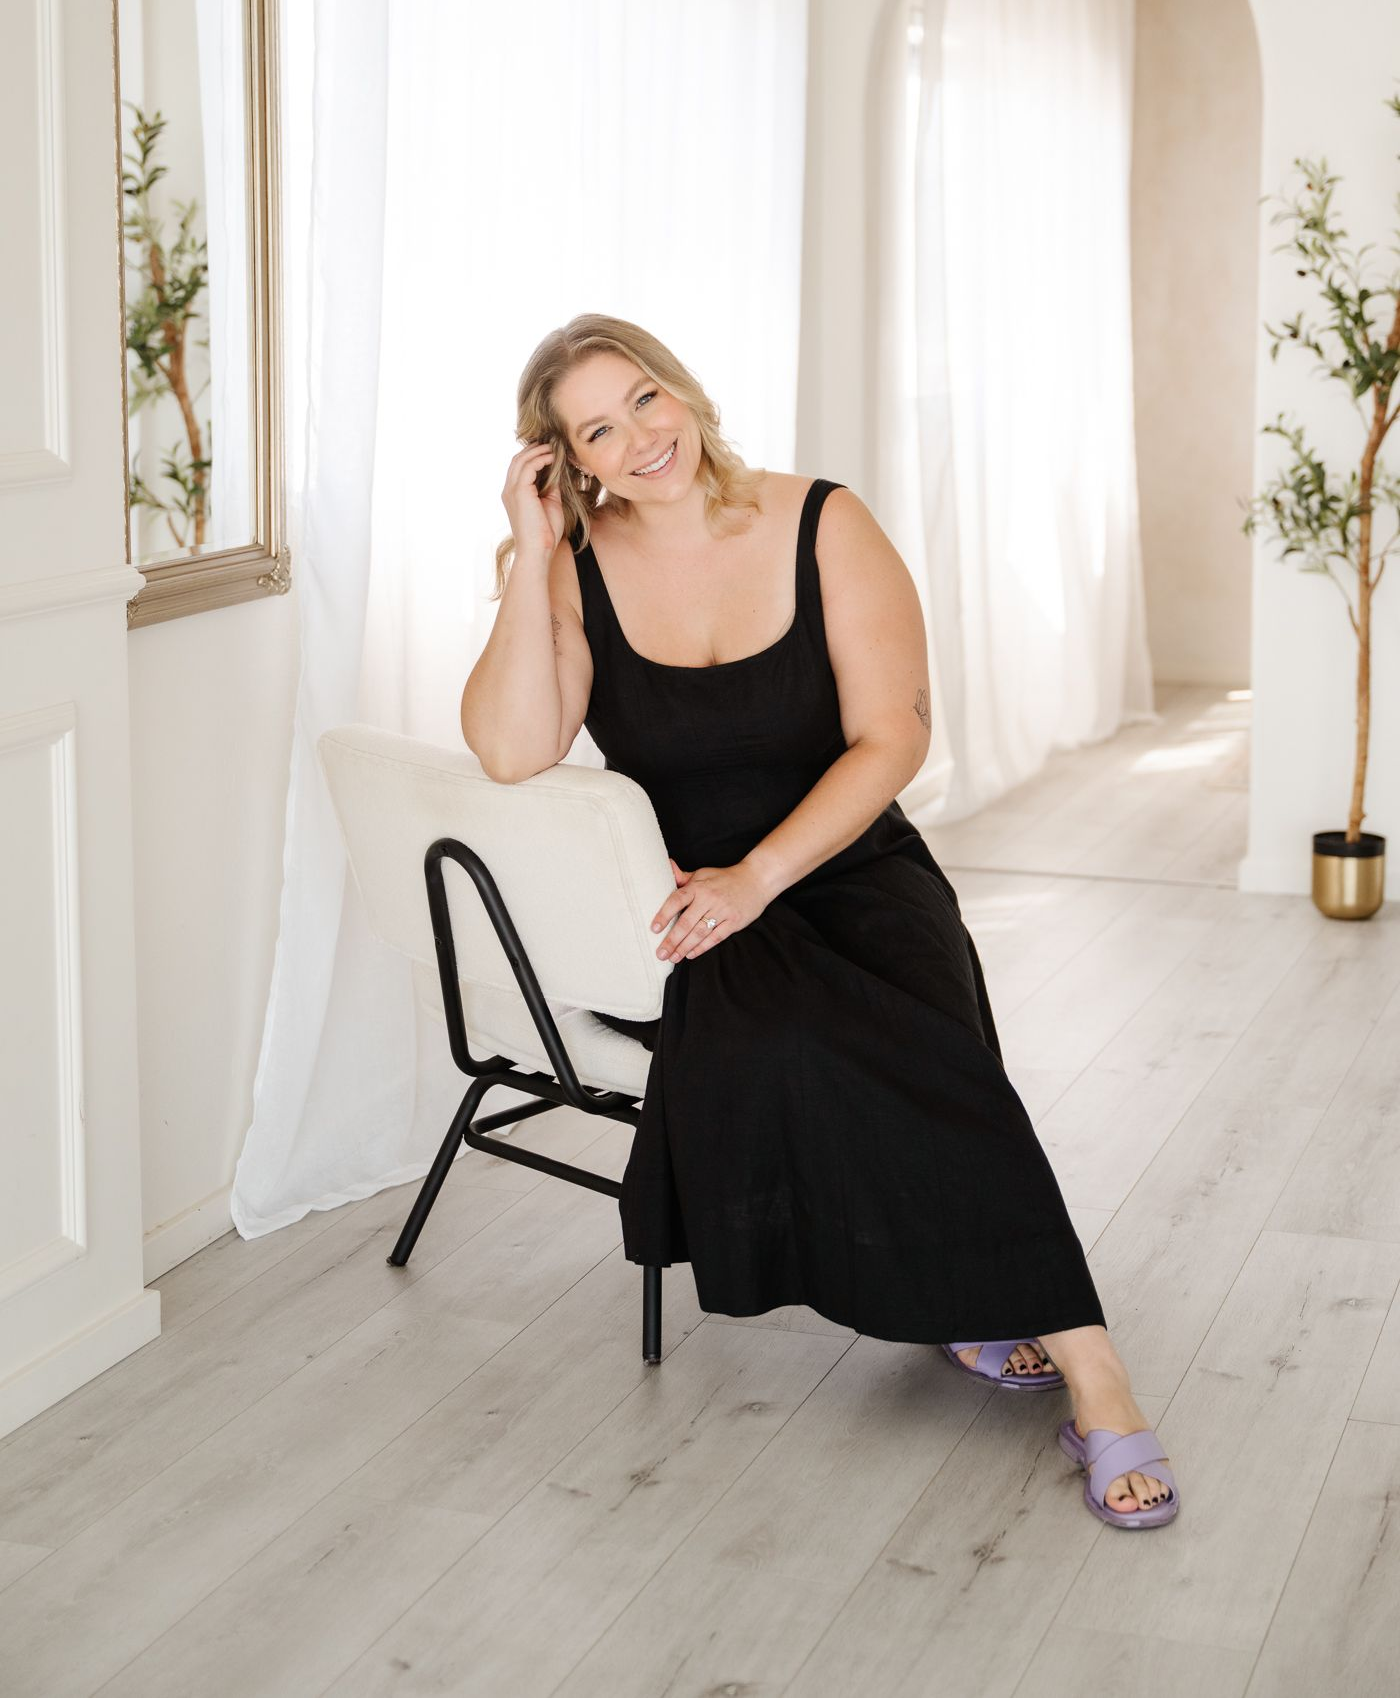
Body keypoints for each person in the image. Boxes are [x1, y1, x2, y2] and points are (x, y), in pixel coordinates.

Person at [461, 313, 1178, 1529]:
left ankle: (1083, 1359)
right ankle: (1001, 1318)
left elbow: (892, 736)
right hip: (701, 901)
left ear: (678, 388)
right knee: (799, 1045)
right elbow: (509, 746)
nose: (640, 438)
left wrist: (762, 874)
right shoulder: (566, 572)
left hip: (844, 862)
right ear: (565, 462)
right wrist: (529, 557)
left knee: (922, 1036)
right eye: (597, 429)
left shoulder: (820, 520)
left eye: (644, 398)